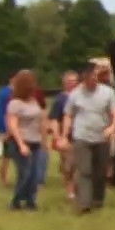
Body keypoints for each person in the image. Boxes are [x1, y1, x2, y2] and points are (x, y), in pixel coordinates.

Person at [62, 65, 115, 212]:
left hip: (102, 137)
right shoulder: (75, 94)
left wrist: (112, 127)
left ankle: (97, 199)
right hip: (82, 136)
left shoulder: (108, 93)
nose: (93, 81)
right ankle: (84, 204)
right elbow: (68, 115)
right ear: (84, 80)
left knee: (100, 171)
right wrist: (65, 134)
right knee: (85, 170)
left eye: (95, 78)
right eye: (90, 79)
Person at [3, 69, 46, 210]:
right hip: (20, 142)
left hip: (35, 141)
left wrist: (43, 139)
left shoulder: (33, 101)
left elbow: (40, 120)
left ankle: (30, 201)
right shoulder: (15, 103)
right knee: (25, 173)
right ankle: (16, 201)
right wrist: (21, 144)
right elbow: (13, 125)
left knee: (35, 174)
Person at [46, 71, 80, 202]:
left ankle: (81, 190)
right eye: (69, 81)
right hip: (67, 138)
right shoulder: (60, 100)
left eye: (75, 81)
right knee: (69, 166)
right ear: (64, 83)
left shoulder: (82, 96)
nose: (72, 83)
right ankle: (70, 191)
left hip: (82, 135)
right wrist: (58, 137)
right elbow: (54, 119)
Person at [0, 80, 13, 185]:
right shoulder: (7, 93)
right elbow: (2, 113)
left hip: (7, 127)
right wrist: (3, 130)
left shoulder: (4, 92)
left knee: (7, 155)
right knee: (6, 155)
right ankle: (3, 178)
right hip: (6, 128)